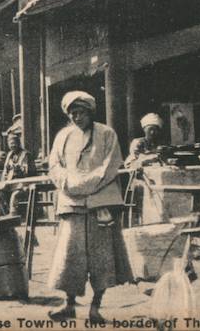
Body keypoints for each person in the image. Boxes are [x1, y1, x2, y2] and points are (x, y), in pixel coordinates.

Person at [47, 91, 133, 324]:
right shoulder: (63, 136)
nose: (77, 117)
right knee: (70, 257)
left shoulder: (106, 134)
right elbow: (54, 165)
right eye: (72, 113)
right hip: (72, 204)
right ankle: (69, 304)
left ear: (90, 112)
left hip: (101, 203)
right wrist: (69, 183)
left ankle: (96, 307)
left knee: (101, 257)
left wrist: (86, 184)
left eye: (81, 112)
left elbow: (111, 164)